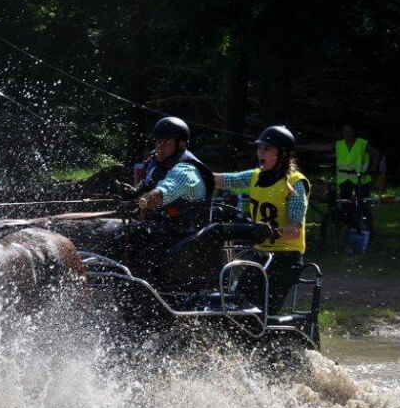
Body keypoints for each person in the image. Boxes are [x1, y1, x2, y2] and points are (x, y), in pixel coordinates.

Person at [214, 125, 309, 313]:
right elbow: (224, 180)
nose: (260, 153)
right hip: (261, 256)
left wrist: (273, 233)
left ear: (282, 154)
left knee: (260, 310)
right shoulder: (256, 176)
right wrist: (195, 170)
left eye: (267, 149)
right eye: (259, 148)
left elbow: (295, 231)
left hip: (286, 259)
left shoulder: (296, 184)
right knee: (236, 304)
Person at [114, 117, 215, 288]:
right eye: (157, 141)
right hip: (161, 230)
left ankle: (142, 296)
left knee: (145, 257)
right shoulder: (156, 163)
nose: (160, 146)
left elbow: (160, 194)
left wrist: (137, 203)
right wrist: (133, 192)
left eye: (166, 142)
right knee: (117, 241)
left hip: (186, 236)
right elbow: (147, 185)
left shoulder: (186, 170)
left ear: (181, 143)